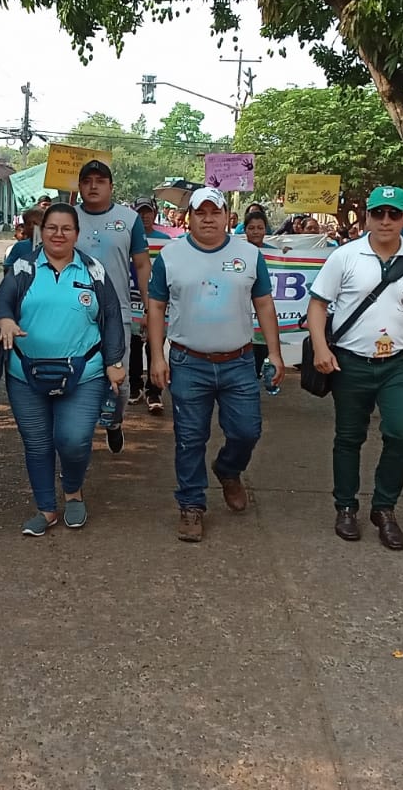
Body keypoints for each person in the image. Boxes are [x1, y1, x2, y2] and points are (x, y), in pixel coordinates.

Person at [148, 187, 285, 542]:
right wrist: (156, 356)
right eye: (200, 212)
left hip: (237, 362)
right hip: (187, 361)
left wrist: (275, 352)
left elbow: (265, 305)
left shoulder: (249, 255)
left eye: (215, 212)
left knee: (247, 431)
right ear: (189, 218)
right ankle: (191, 505)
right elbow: (156, 308)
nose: (208, 218)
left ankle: (228, 469)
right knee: (190, 438)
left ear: (227, 216)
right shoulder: (171, 257)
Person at [307, 188, 403, 549]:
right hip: (350, 362)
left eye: (393, 214)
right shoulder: (346, 257)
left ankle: (384, 507)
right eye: (378, 213)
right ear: (366, 217)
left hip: (397, 364)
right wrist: (320, 347)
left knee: (401, 432)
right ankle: (346, 506)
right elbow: (318, 305)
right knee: (349, 437)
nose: (385, 221)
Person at [0, 204, 126, 536]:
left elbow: (110, 317)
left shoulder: (93, 270)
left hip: (84, 373)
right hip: (25, 374)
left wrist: (115, 362)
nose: (58, 234)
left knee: (74, 439)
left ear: (76, 234)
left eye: (66, 228)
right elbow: (1, 302)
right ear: (42, 230)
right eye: (52, 227)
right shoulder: (24, 267)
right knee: (37, 443)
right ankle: (46, 508)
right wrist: (6, 320)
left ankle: (73, 491)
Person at [74, 160, 152, 452]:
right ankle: (75, 444)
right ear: (80, 186)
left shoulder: (129, 219)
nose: (93, 186)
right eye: (87, 180)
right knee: (75, 378)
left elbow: (142, 265)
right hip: (73, 313)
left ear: (110, 186)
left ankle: (115, 422)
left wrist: (149, 309)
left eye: (100, 180)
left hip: (117, 313)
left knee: (118, 384)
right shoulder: (67, 217)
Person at [128, 196, 172, 413]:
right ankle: (135, 386)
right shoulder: (127, 238)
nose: (144, 216)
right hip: (131, 302)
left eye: (148, 212)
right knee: (133, 346)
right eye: (140, 212)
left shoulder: (166, 242)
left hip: (157, 304)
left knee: (155, 346)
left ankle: (154, 391)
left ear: (155, 214)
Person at [243, 211, 280, 376]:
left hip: (263, 318)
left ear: (266, 230)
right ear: (245, 230)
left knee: (261, 356)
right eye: (251, 228)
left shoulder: (275, 253)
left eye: (260, 227)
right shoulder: (239, 251)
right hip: (244, 317)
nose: (256, 231)